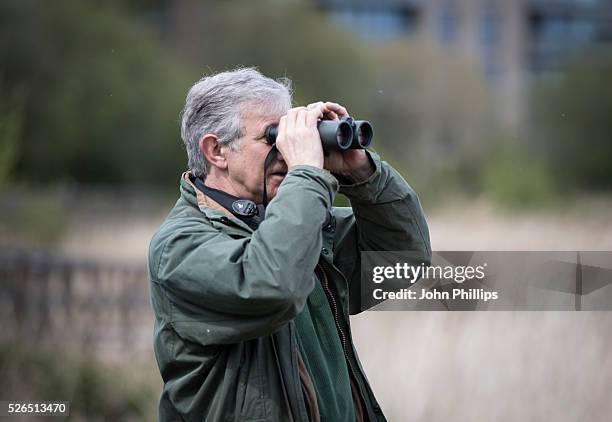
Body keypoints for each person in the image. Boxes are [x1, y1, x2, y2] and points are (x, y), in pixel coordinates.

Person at [148, 67, 431, 422]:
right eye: (273, 137)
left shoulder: (296, 223)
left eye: (290, 136)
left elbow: (402, 260)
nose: (286, 150)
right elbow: (271, 285)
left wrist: (361, 172)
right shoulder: (178, 247)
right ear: (216, 150)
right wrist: (307, 174)